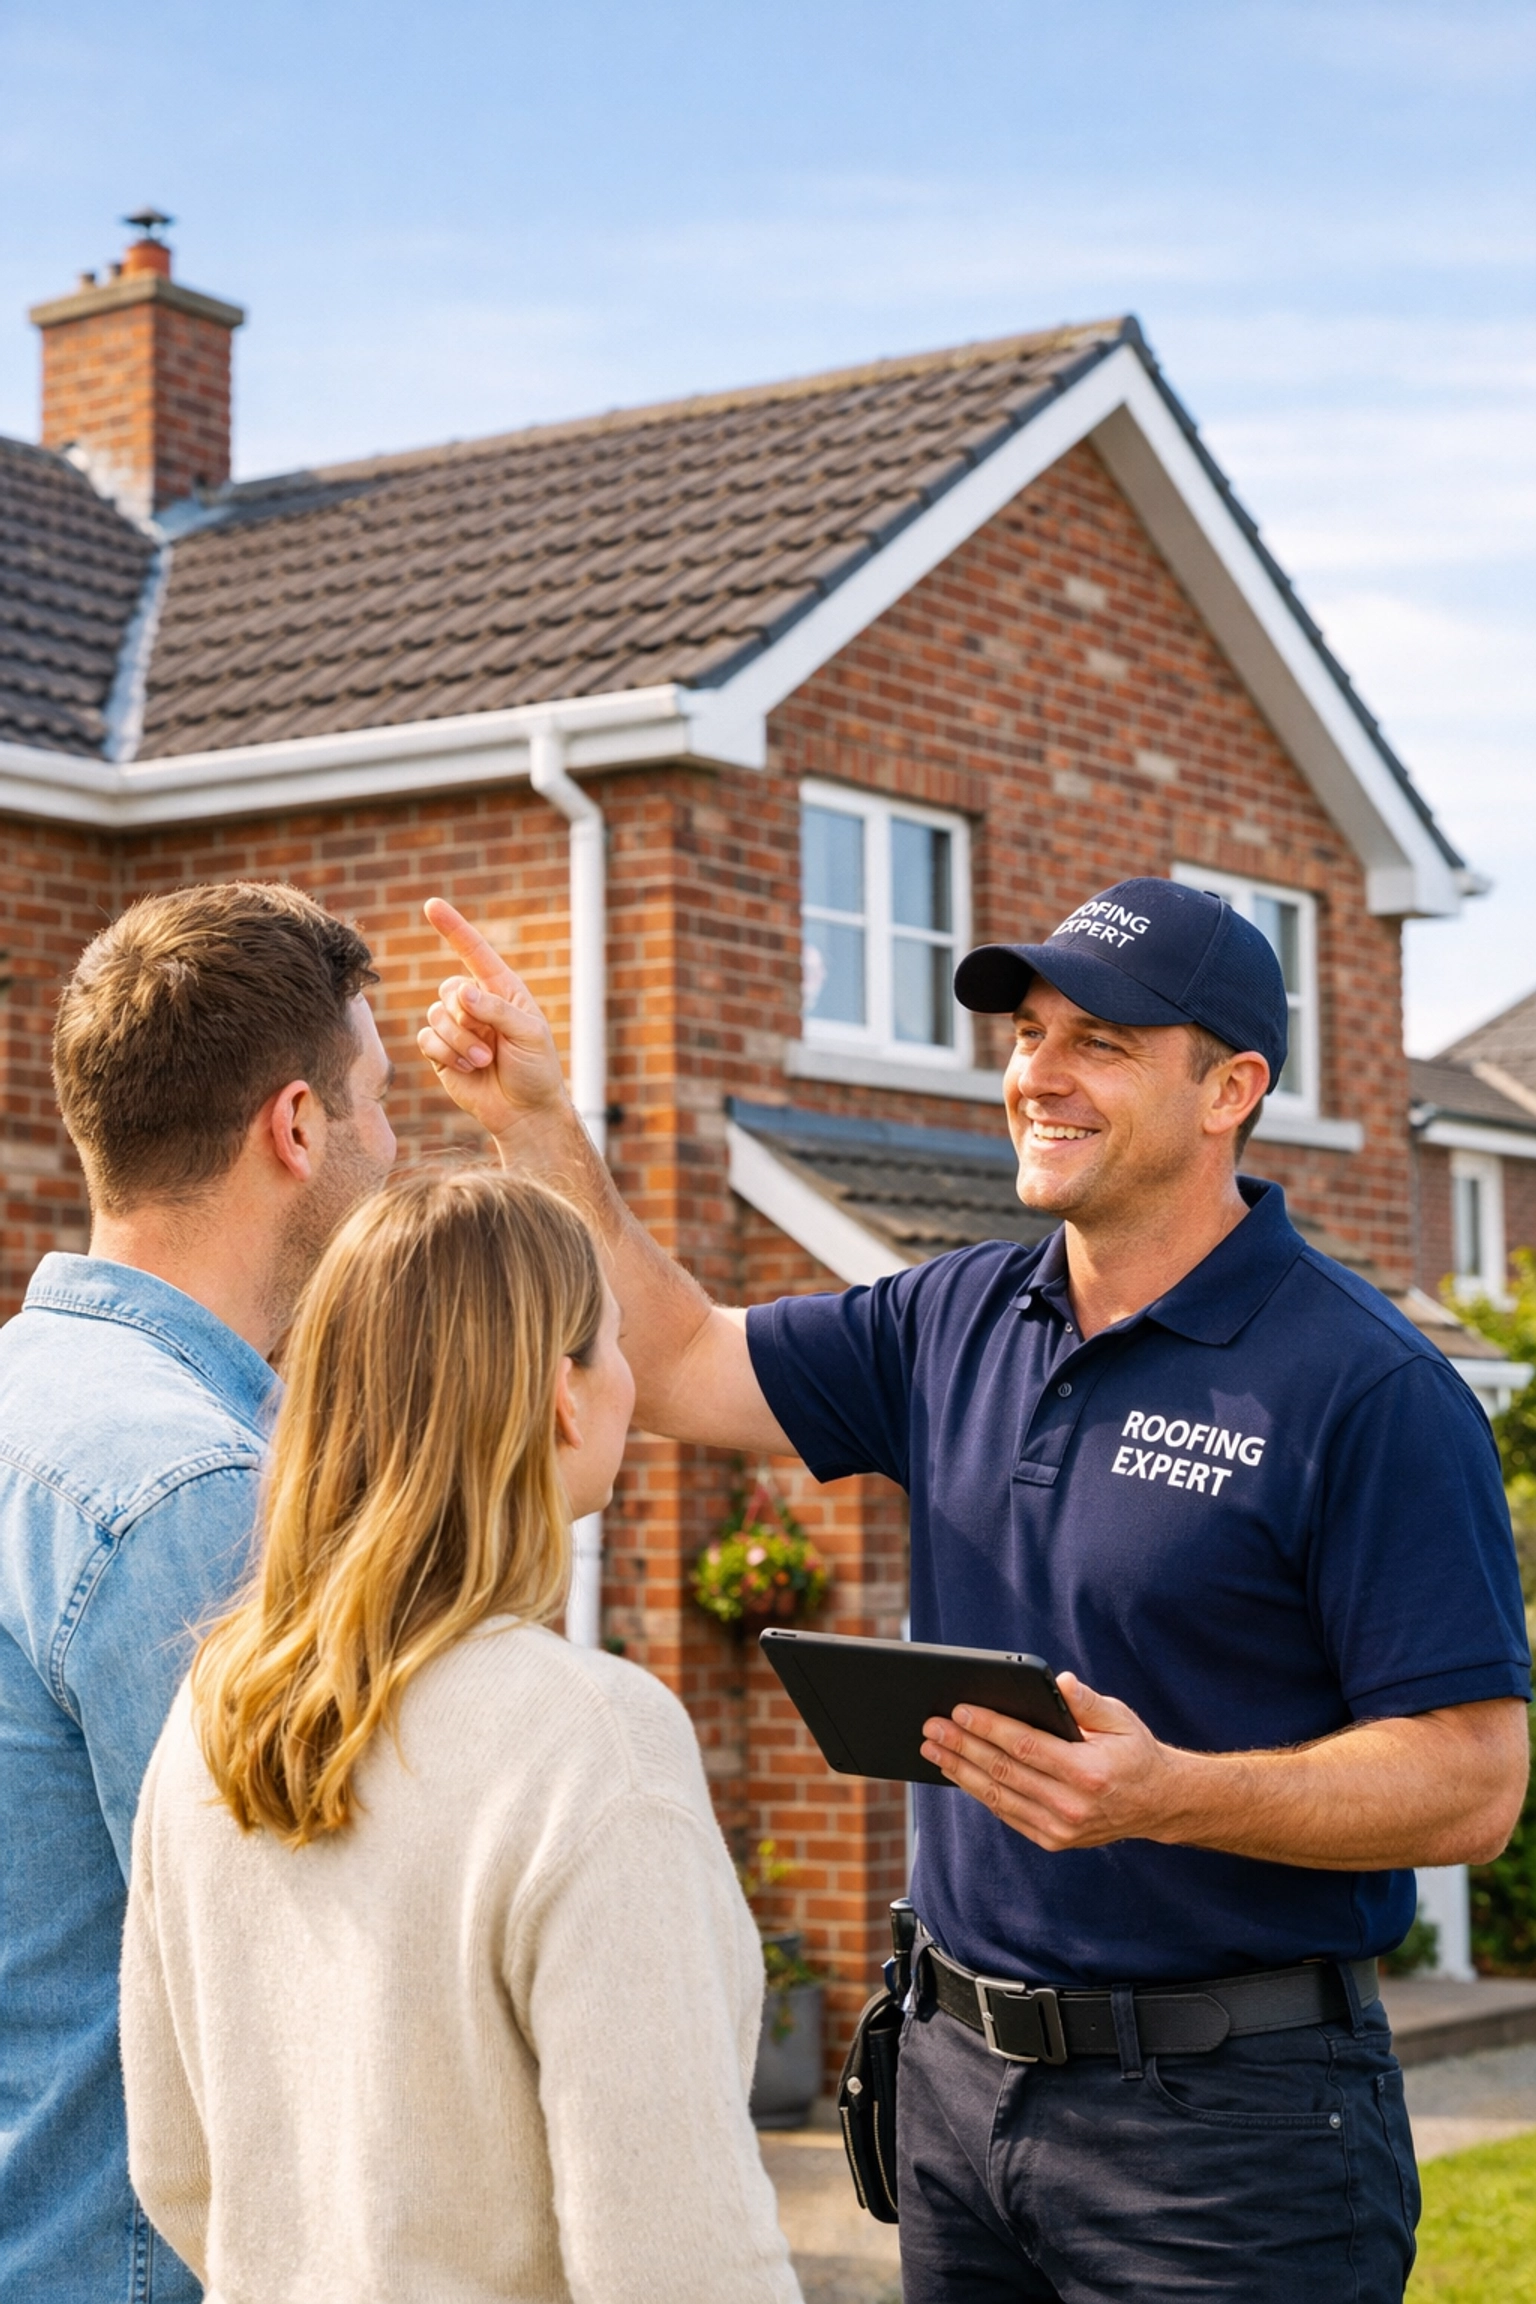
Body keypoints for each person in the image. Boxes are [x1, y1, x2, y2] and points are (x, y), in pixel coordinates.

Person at [419, 877, 1531, 2304]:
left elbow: (1473, 1782)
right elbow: (688, 1358)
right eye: (1026, 1031)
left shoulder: (1368, 1387)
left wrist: (1164, 1791)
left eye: (1102, 1042)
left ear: (1231, 1090)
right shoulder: (954, 1315)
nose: (1037, 1076)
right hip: (953, 2092)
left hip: (1230, 2138)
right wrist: (534, 1125)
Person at [120, 1167, 802, 2304]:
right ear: (561, 1396)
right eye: (615, 1343)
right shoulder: (593, 1742)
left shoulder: (215, 1706)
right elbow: (681, 2261)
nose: (632, 1379)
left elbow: (178, 2171)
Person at [0, 881, 396, 2304]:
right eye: (379, 1102)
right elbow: (287, 1992)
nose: (391, 1148)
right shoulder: (190, 1495)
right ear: (297, 1127)